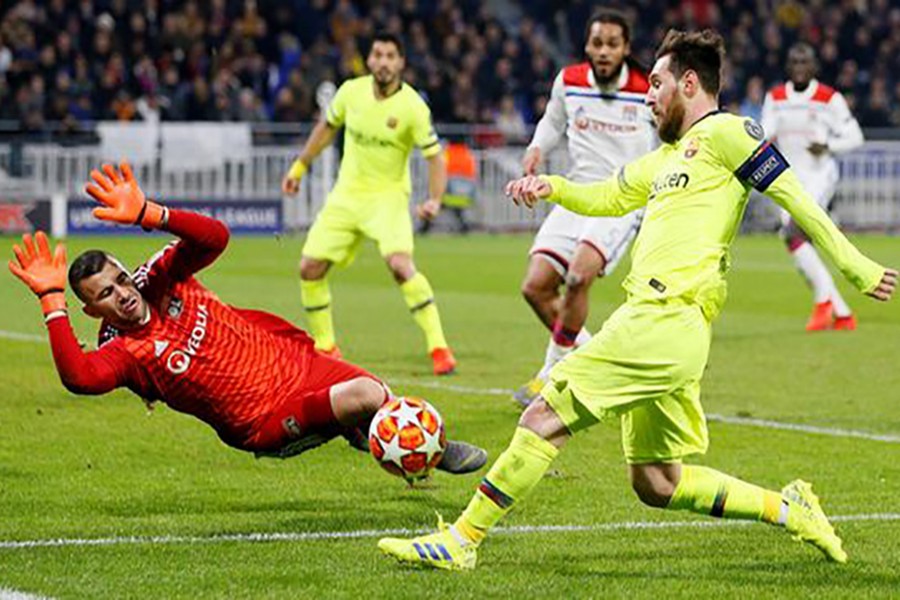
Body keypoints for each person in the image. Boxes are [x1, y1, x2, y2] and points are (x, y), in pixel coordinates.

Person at [377, 29, 897, 570]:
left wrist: (854, 266)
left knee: (542, 416)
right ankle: (788, 510)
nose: (647, 96)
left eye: (656, 83)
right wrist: (550, 186)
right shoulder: (666, 159)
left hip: (665, 318)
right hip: (663, 324)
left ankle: (462, 540)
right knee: (657, 481)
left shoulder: (728, 133)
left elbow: (796, 197)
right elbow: (607, 194)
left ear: (689, 84)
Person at [8, 162, 487, 474]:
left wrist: (153, 213)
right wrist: (52, 301)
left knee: (378, 393)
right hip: (263, 418)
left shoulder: (160, 276)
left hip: (294, 360)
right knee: (367, 395)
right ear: (92, 309)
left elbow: (214, 239)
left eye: (120, 280)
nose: (122, 295)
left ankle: (368, 431)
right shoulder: (123, 353)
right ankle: (423, 451)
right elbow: (80, 378)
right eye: (105, 296)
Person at [281, 31, 457, 375]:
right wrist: (300, 165)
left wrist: (435, 200)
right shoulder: (351, 92)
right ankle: (326, 347)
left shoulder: (413, 107)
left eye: (391, 55)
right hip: (347, 194)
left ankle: (439, 348)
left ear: (401, 62)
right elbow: (326, 127)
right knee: (309, 268)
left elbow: (435, 157)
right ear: (370, 60)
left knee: (400, 265)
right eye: (378, 54)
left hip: (388, 197)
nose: (384, 62)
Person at [513, 9, 655, 406]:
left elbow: (671, 139)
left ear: (626, 48)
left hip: (624, 199)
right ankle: (598, 363)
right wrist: (537, 148)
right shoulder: (570, 81)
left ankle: (550, 374)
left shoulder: (648, 88)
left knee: (577, 278)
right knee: (535, 287)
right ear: (587, 46)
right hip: (576, 195)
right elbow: (551, 122)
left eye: (613, 44)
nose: (604, 51)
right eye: (598, 43)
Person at [761, 43, 865, 331]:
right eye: (794, 61)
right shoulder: (776, 97)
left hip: (821, 175)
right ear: (787, 66)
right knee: (794, 237)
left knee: (793, 227)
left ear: (814, 66)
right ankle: (842, 313)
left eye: (804, 61)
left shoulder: (829, 98)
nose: (799, 66)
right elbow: (765, 131)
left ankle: (823, 302)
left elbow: (855, 137)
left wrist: (828, 145)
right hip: (791, 177)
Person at [419, 136, 476, 235]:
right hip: (465, 197)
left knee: (432, 200)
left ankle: (425, 226)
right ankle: (463, 226)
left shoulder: (447, 154)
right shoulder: (468, 156)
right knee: (456, 206)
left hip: (449, 196)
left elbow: (441, 175)